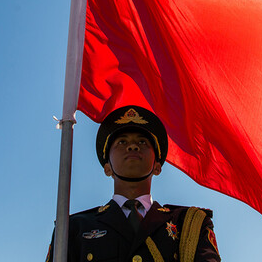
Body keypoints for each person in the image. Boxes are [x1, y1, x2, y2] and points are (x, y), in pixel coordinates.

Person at [46, 105, 221, 262]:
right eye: (122, 142)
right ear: (107, 168)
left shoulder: (188, 224)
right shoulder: (74, 228)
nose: (132, 146)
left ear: (157, 167)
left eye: (142, 142)